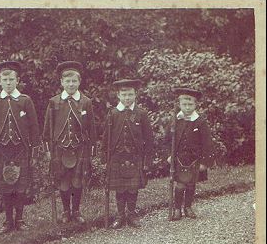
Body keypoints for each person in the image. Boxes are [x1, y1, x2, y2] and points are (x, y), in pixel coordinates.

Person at [0, 61, 41, 234]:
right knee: (5, 186)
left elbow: (34, 127)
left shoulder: (25, 101)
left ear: (17, 80)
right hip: (2, 151)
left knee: (21, 185)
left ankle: (20, 219)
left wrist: (34, 152)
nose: (8, 83)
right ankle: (8, 220)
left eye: (11, 79)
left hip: (21, 149)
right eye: (5, 79)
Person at [42, 61, 97, 224]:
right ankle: (66, 211)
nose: (71, 84)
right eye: (67, 81)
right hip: (60, 148)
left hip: (80, 147)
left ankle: (76, 210)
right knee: (63, 181)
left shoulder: (85, 102)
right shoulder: (54, 102)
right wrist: (47, 150)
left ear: (79, 82)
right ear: (62, 82)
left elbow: (92, 128)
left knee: (77, 181)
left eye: (74, 81)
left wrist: (92, 150)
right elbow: (47, 128)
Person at [101, 79, 154, 229]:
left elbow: (149, 139)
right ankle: (120, 215)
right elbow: (106, 137)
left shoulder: (141, 114)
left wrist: (147, 160)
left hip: (135, 157)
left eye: (130, 94)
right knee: (119, 188)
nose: (127, 98)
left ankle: (131, 214)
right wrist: (104, 157)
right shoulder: (112, 113)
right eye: (124, 94)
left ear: (135, 94)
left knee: (132, 188)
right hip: (117, 157)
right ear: (118, 95)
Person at [167, 87, 214, 220]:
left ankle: (187, 206)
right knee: (180, 184)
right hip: (178, 158)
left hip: (194, 160)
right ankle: (177, 209)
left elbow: (207, 143)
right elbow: (167, 139)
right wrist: (169, 155)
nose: (187, 107)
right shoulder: (176, 120)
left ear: (196, 105)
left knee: (191, 184)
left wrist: (205, 162)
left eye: (190, 104)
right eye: (184, 104)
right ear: (179, 104)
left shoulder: (200, 121)